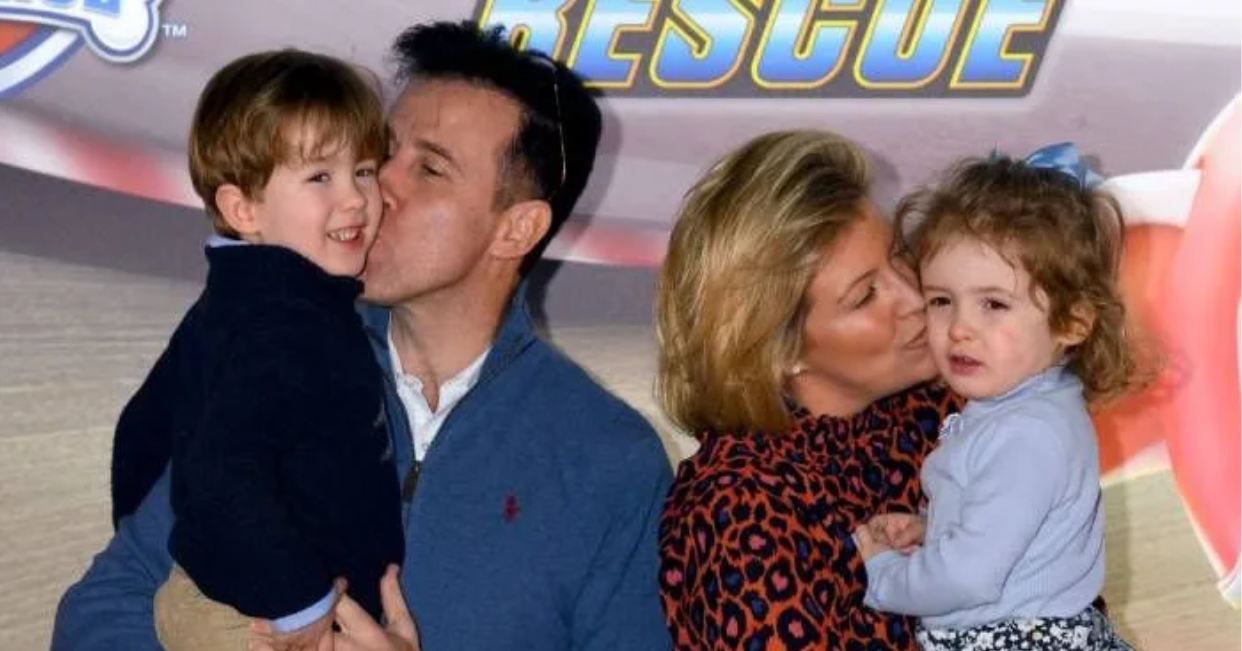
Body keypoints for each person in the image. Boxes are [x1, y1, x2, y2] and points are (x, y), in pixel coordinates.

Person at [52, 20, 673, 651]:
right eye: (378, 156)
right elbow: (102, 606)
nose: (374, 190)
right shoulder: (286, 354)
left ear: (517, 229)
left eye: (429, 168)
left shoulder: (611, 462)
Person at [105, 48, 404, 651]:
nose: (356, 199)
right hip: (260, 621)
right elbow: (219, 471)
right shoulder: (281, 322)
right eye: (319, 177)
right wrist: (298, 602)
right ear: (242, 209)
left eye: (365, 170)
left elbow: (143, 430)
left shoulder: (248, 302)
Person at [655, 129, 961, 651]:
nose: (915, 296)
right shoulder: (739, 509)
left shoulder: (947, 409)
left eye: (900, 255)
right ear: (779, 349)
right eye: (865, 296)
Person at [853, 144, 1144, 651]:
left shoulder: (1028, 435)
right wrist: (933, 529)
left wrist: (883, 575)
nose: (959, 328)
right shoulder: (1025, 408)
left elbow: (969, 578)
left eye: (993, 304)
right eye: (941, 300)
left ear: (1073, 322)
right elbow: (1019, 536)